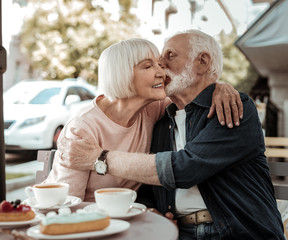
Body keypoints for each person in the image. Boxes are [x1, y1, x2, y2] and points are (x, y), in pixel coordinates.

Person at [58, 30, 285, 239]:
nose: (161, 67)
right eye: (154, 63)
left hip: (238, 230)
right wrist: (150, 209)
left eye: (169, 56)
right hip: (173, 231)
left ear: (202, 62)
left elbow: (185, 167)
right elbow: (143, 186)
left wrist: (100, 159)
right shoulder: (160, 117)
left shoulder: (232, 108)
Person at [45, 38, 242, 202]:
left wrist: (219, 86)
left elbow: (192, 91)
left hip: (126, 219)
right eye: (148, 66)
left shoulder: (152, 109)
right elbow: (66, 203)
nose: (161, 72)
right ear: (122, 74)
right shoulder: (83, 128)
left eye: (158, 64)